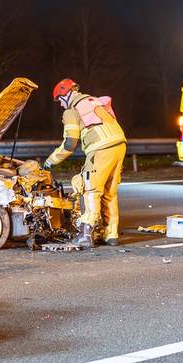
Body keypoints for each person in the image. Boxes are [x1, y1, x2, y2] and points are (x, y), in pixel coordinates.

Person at [43, 79, 127, 247]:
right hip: (120, 145)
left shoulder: (72, 111)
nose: (61, 105)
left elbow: (69, 144)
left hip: (101, 148)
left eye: (60, 100)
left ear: (65, 94)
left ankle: (86, 235)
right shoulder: (94, 100)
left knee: (90, 190)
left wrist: (50, 162)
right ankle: (111, 235)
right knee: (110, 193)